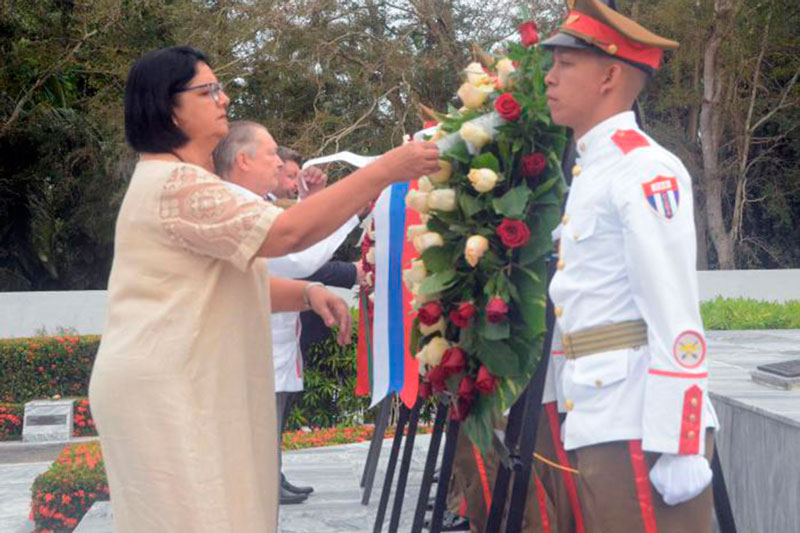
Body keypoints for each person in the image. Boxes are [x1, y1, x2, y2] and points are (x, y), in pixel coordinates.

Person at [87, 45, 439, 533]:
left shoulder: (180, 179)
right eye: (208, 90)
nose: (224, 99)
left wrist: (305, 294)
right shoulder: (176, 184)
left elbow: (216, 285)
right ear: (170, 107)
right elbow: (288, 233)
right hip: (166, 392)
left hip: (179, 385)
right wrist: (385, 170)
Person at [535, 0, 719, 530]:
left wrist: (682, 441)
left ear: (609, 75)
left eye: (565, 65)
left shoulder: (644, 170)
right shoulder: (595, 169)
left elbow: (674, 310)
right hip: (600, 413)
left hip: (642, 423)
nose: (550, 78)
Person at [214, 124, 362, 504]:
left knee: (269, 424)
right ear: (243, 160)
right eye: (271, 156)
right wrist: (351, 208)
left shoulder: (251, 202)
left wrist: (314, 203)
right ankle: (265, 485)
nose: (280, 162)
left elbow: (292, 238)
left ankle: (269, 481)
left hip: (270, 335)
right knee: (258, 432)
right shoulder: (235, 204)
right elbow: (297, 256)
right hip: (253, 339)